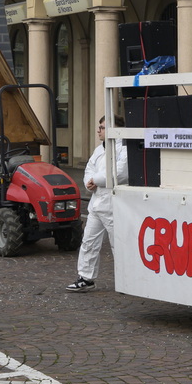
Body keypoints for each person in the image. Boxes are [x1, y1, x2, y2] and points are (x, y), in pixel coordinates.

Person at [66, 114, 128, 293]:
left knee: (119, 243)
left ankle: (126, 279)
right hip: (97, 202)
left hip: (113, 203)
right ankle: (86, 277)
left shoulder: (123, 149)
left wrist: (95, 180)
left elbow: (121, 172)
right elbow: (89, 168)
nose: (98, 131)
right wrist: (89, 182)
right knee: (89, 241)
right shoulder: (99, 149)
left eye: (102, 127)